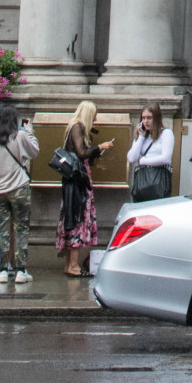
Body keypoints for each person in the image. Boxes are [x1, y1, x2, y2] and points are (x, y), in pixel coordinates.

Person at [56, 100, 111, 279]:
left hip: (72, 181)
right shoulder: (78, 127)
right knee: (78, 219)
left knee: (72, 218)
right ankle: (73, 265)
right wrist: (100, 147)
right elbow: (81, 153)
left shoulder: (72, 127)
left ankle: (69, 265)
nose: (95, 119)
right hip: (79, 183)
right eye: (94, 115)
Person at [0, 108, 38, 287]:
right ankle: (21, 270)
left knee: (2, 230)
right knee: (21, 227)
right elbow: (34, 151)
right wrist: (29, 131)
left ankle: (2, 270)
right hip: (19, 188)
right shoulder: (18, 136)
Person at [126, 104, 174, 203]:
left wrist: (143, 160)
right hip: (142, 182)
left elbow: (166, 158)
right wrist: (141, 137)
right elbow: (131, 158)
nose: (146, 121)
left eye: (149, 118)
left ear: (156, 118)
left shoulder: (166, 133)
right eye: (143, 118)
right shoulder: (141, 135)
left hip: (159, 180)